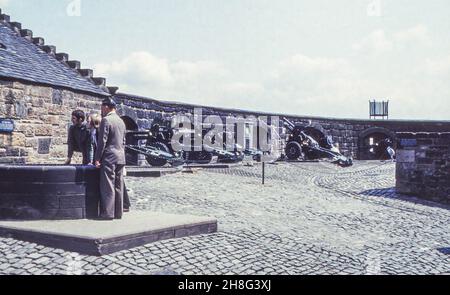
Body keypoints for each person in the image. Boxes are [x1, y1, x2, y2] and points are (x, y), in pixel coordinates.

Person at [94, 98, 126, 220]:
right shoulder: (121, 121)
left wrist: (97, 158)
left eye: (102, 107)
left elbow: (102, 141)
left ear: (107, 107)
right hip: (120, 156)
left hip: (109, 157)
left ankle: (107, 213)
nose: (101, 109)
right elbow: (123, 142)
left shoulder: (106, 120)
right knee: (119, 185)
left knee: (108, 185)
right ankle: (118, 213)